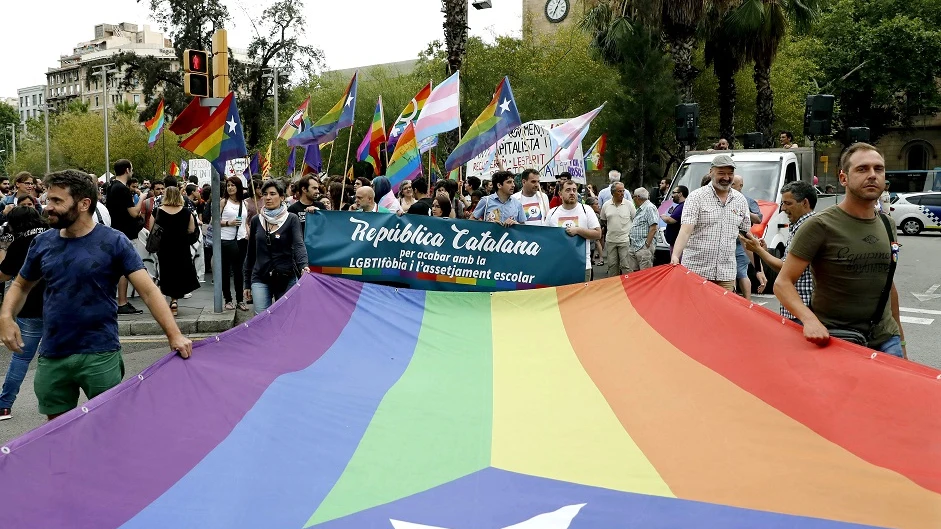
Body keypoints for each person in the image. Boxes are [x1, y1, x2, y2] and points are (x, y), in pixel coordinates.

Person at [0, 170, 191, 421]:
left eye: (57, 201)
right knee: (58, 433)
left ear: (84, 204)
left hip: (100, 353)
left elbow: (148, 291)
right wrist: (6, 316)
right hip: (53, 355)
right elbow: (21, 285)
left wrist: (174, 334)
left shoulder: (114, 242)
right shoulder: (42, 243)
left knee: (109, 431)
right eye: (48, 200)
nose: (48, 207)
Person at [774, 143, 906, 359]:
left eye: (878, 169)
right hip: (836, 339)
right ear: (843, 178)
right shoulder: (820, 225)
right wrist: (809, 320)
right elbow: (783, 283)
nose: (872, 175)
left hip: (885, 339)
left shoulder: (887, 224)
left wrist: (900, 341)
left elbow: (888, 284)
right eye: (862, 169)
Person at [670, 154, 751, 291]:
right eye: (721, 173)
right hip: (696, 271)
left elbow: (745, 236)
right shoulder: (696, 197)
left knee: (723, 312)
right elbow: (685, 230)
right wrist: (675, 256)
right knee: (695, 311)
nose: (726, 178)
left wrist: (759, 269)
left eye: (730, 173)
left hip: (727, 274)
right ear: (711, 172)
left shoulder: (740, 200)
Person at [742, 180, 816, 322]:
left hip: (802, 310)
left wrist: (758, 250)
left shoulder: (807, 228)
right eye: (782, 203)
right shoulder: (804, 225)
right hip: (800, 309)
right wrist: (764, 250)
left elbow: (784, 268)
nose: (782, 208)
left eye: (788, 203)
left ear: (805, 203)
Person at [0, 207, 49, 420]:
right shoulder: (53, 234)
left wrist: (3, 249)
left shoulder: (19, 244)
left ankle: (4, 405)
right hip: (59, 305)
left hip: (29, 307)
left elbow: (3, 275)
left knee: (21, 358)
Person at [243, 180, 308, 315]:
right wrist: (247, 283)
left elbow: (298, 244)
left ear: (282, 197)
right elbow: (250, 253)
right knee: (261, 319)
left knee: (284, 318)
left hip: (285, 276)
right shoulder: (256, 220)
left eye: (272, 194)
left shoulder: (291, 219)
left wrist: (303, 265)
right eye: (265, 194)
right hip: (260, 276)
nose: (268, 197)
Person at [150, 186, 199, 316]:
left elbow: (151, 229)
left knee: (166, 272)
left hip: (165, 247)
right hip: (181, 247)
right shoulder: (186, 212)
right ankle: (175, 300)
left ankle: (168, 299)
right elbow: (191, 229)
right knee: (179, 272)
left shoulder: (157, 211)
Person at [106, 159, 146, 315]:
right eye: (132, 169)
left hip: (116, 230)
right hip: (126, 233)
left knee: (120, 268)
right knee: (125, 268)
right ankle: (122, 302)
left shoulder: (111, 187)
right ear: (128, 170)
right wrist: (142, 197)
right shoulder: (123, 189)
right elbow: (134, 213)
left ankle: (121, 301)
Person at [545, 179, 602, 281]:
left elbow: (598, 234)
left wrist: (578, 230)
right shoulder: (552, 213)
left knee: (583, 297)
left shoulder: (586, 210)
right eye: (568, 190)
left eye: (574, 190)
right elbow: (545, 238)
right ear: (560, 193)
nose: (572, 193)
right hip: (558, 267)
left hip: (582, 267)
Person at [731, 174, 764, 300]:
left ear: (741, 186)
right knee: (730, 272)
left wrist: (744, 211)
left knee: (741, 272)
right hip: (727, 241)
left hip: (742, 242)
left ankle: (747, 301)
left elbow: (758, 219)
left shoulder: (748, 201)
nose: (731, 186)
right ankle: (732, 300)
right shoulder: (725, 198)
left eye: (734, 184)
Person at [220, 176, 250, 312]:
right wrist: (228, 223)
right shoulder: (223, 202)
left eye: (233, 185)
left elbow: (245, 222)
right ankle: (228, 299)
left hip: (241, 240)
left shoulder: (245, 204)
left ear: (238, 187)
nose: (230, 188)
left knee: (239, 271)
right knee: (225, 271)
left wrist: (248, 232)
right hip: (226, 240)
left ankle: (239, 300)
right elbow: (214, 221)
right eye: (228, 185)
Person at [600, 182, 635, 277]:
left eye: (623, 191)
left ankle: (629, 286)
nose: (622, 193)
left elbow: (635, 220)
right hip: (611, 240)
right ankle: (614, 287)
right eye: (619, 191)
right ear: (613, 193)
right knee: (612, 266)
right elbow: (603, 220)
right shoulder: (606, 205)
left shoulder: (629, 205)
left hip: (625, 240)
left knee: (626, 266)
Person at [627, 188, 659, 271]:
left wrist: (647, 244)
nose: (633, 199)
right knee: (635, 275)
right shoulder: (641, 208)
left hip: (643, 247)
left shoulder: (649, 208)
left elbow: (653, 227)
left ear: (637, 197)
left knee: (645, 276)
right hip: (635, 246)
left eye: (633, 196)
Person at [661, 186, 688, 255]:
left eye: (673, 193)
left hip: (677, 244)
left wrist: (663, 216)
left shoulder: (683, 206)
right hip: (674, 243)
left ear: (680, 194)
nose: (672, 196)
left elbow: (671, 220)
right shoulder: (680, 206)